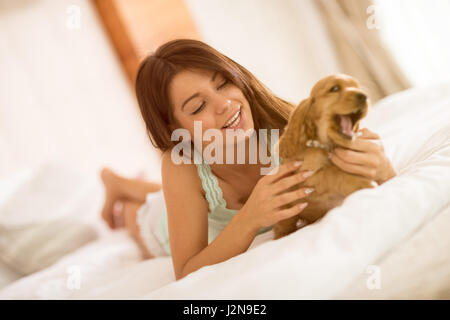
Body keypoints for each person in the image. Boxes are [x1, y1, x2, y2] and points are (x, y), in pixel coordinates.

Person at [100, 39, 397, 280]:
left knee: (164, 195)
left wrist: (382, 168)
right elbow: (186, 271)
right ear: (175, 128)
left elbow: (357, 173)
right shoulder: (180, 163)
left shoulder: (287, 127)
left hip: (191, 197)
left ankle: (123, 183)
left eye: (223, 84)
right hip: (161, 224)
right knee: (140, 216)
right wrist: (251, 217)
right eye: (199, 106)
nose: (224, 104)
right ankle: (116, 184)